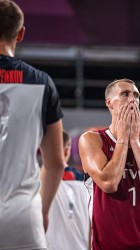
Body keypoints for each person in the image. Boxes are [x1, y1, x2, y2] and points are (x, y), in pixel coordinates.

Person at [0, 1, 65, 249]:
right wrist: (44, 210)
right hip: (23, 216)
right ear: (21, 33)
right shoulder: (42, 83)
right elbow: (56, 162)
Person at [78, 78, 140, 249]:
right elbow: (109, 183)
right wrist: (122, 139)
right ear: (109, 103)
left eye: (136, 95)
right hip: (109, 244)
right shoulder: (91, 139)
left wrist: (134, 140)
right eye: (125, 94)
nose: (132, 99)